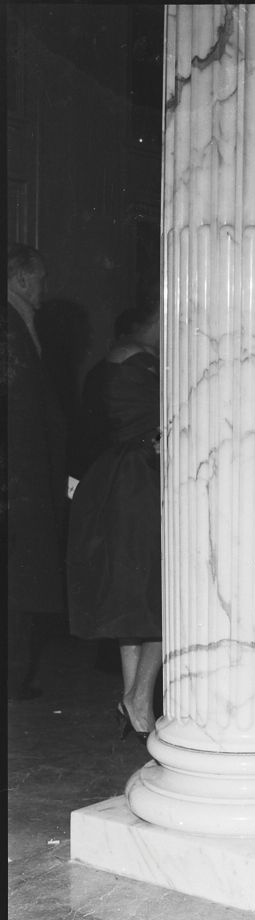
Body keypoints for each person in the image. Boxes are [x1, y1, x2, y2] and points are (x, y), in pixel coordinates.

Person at [66, 303, 162, 742]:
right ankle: (140, 698)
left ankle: (131, 699)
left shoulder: (104, 364)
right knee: (162, 594)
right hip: (142, 481)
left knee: (130, 597)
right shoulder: (145, 362)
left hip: (112, 480)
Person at [4, 243, 67, 700]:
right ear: (22, 279)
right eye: (41, 277)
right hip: (15, 484)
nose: (45, 285)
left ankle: (15, 676)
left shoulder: (22, 324)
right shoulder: (8, 327)